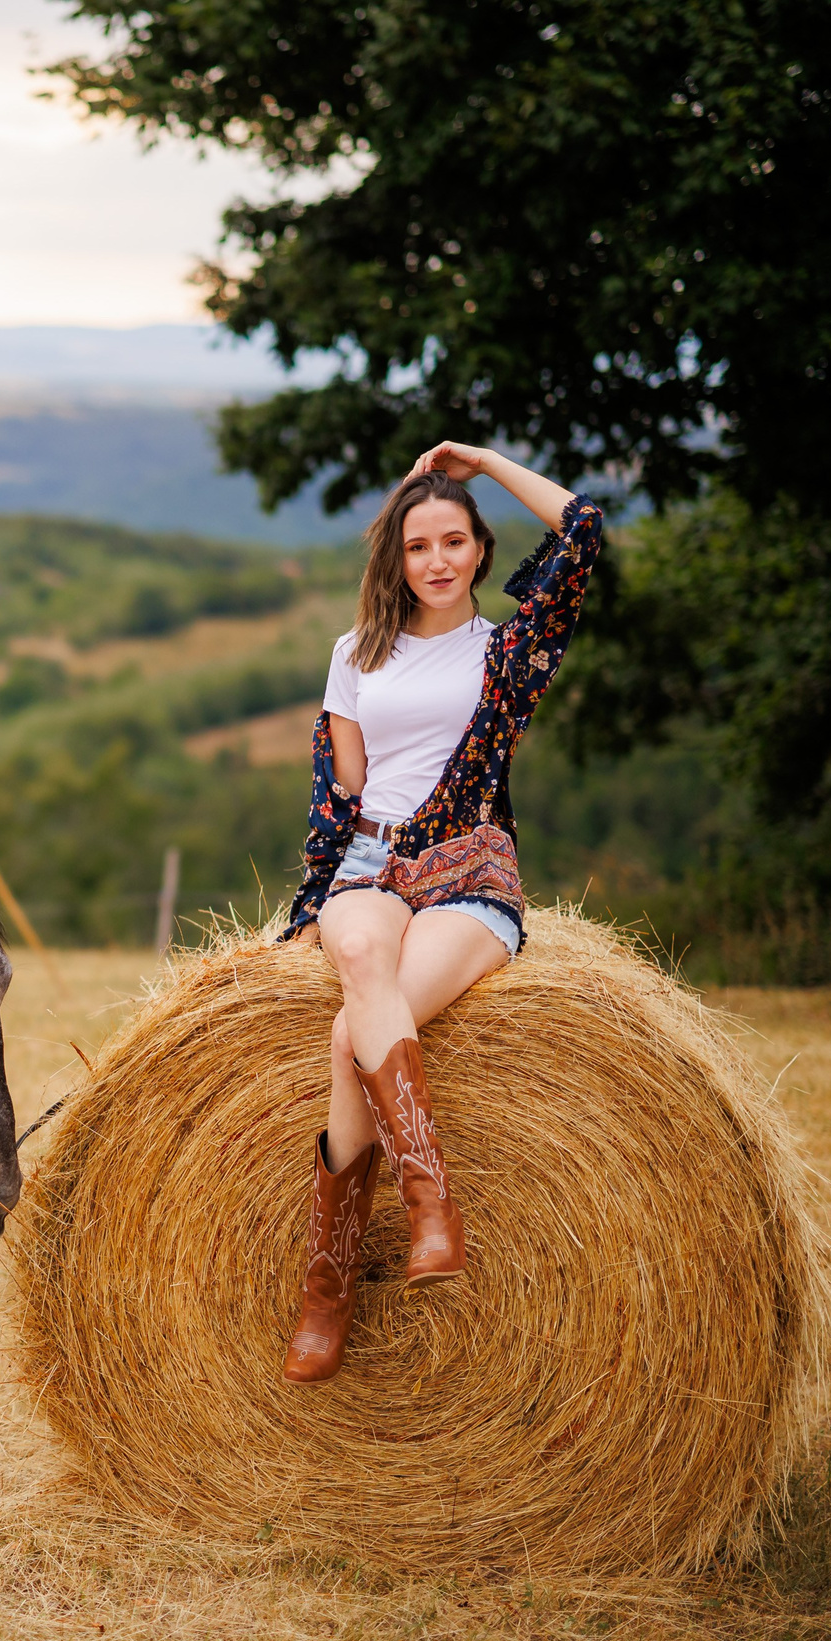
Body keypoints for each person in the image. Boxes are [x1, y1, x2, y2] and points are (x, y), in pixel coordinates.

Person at [276, 443, 603, 1384]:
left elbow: (581, 532)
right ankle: (425, 1210)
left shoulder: (506, 650)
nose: (437, 559)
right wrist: (324, 889)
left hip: (467, 865)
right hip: (370, 864)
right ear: (397, 559)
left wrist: (484, 461)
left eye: (454, 540)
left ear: (480, 549)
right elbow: (342, 793)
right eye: (418, 544)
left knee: (352, 1033)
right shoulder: (355, 655)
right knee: (365, 971)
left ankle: (334, 1281)